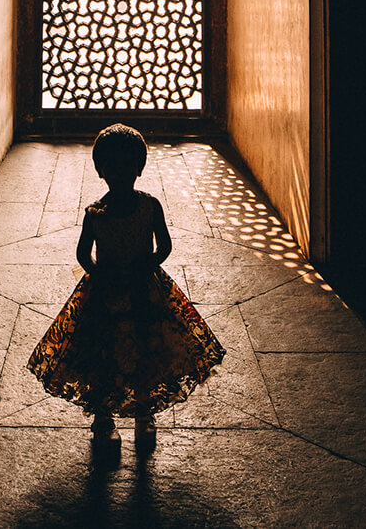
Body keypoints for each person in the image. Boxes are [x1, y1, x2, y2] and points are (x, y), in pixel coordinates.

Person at [27, 124, 224, 460]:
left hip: (143, 290)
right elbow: (82, 254)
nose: (120, 173)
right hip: (107, 293)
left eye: (127, 165)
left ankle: (143, 414)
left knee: (147, 352)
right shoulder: (95, 213)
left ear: (139, 168)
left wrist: (144, 267)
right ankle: (103, 420)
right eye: (112, 166)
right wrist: (100, 275)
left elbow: (164, 246)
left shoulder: (150, 207)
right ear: (101, 171)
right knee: (103, 357)